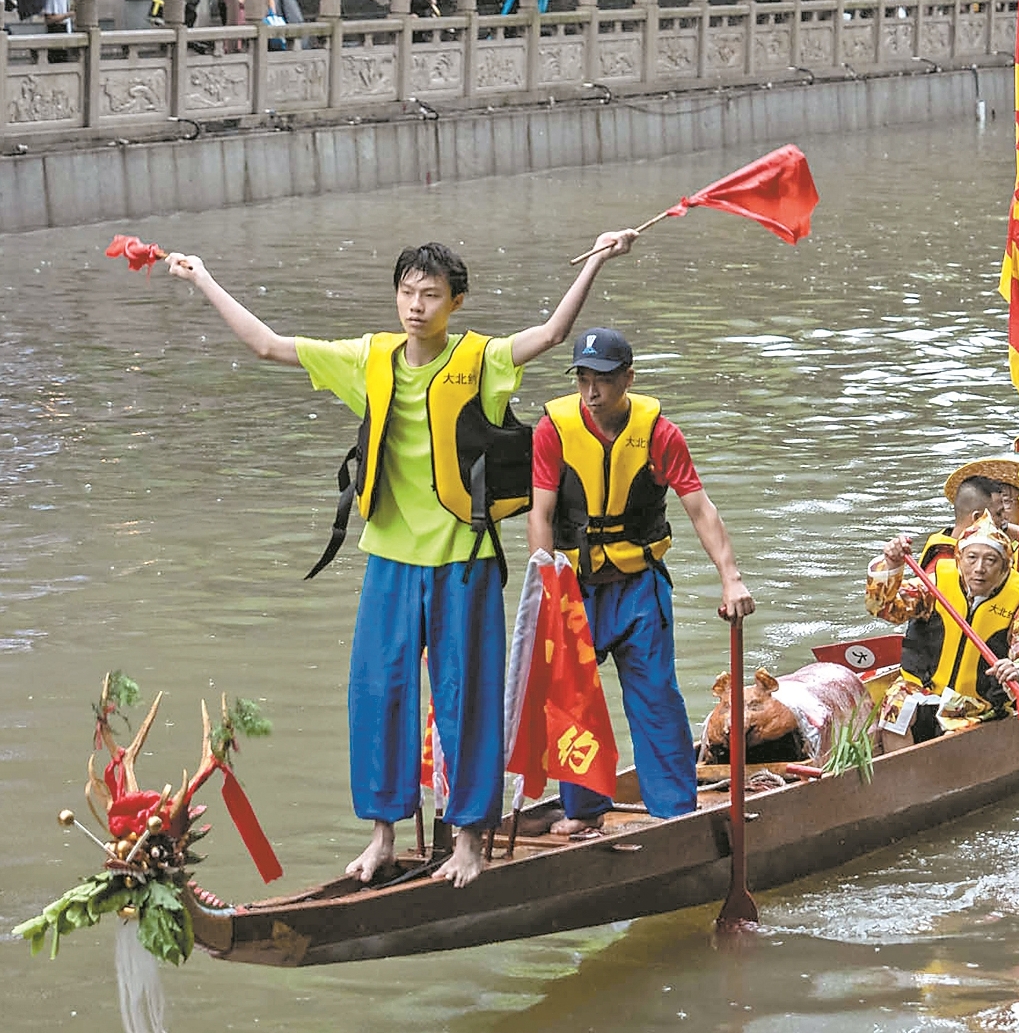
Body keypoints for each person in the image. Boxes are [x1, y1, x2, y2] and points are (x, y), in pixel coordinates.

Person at [162, 229, 640, 885]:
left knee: (466, 696)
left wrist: (595, 259)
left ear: (457, 302)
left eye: (432, 294)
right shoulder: (368, 359)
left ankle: (469, 836)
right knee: (377, 692)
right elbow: (268, 344)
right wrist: (202, 276)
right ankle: (382, 835)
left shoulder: (485, 361)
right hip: (388, 558)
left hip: (462, 560)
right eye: (408, 293)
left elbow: (554, 332)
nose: (417, 305)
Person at [526, 328, 755, 837]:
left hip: (638, 587)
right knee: (571, 699)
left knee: (655, 698)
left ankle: (673, 809)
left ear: (628, 378)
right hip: (574, 589)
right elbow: (540, 513)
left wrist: (730, 579)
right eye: (583, 378)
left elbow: (700, 508)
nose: (592, 391)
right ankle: (583, 810)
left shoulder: (660, 433)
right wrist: (546, 584)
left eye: (603, 379)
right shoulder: (553, 431)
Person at [868, 514, 1019, 737]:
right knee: (895, 712)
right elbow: (882, 607)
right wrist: (891, 565)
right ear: (959, 559)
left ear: (1003, 568)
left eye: (991, 560)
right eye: (972, 558)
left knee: (955, 735)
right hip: (920, 687)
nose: (979, 568)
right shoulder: (934, 585)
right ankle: (900, 770)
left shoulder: (1018, 602)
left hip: (976, 701)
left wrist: (1017, 669)